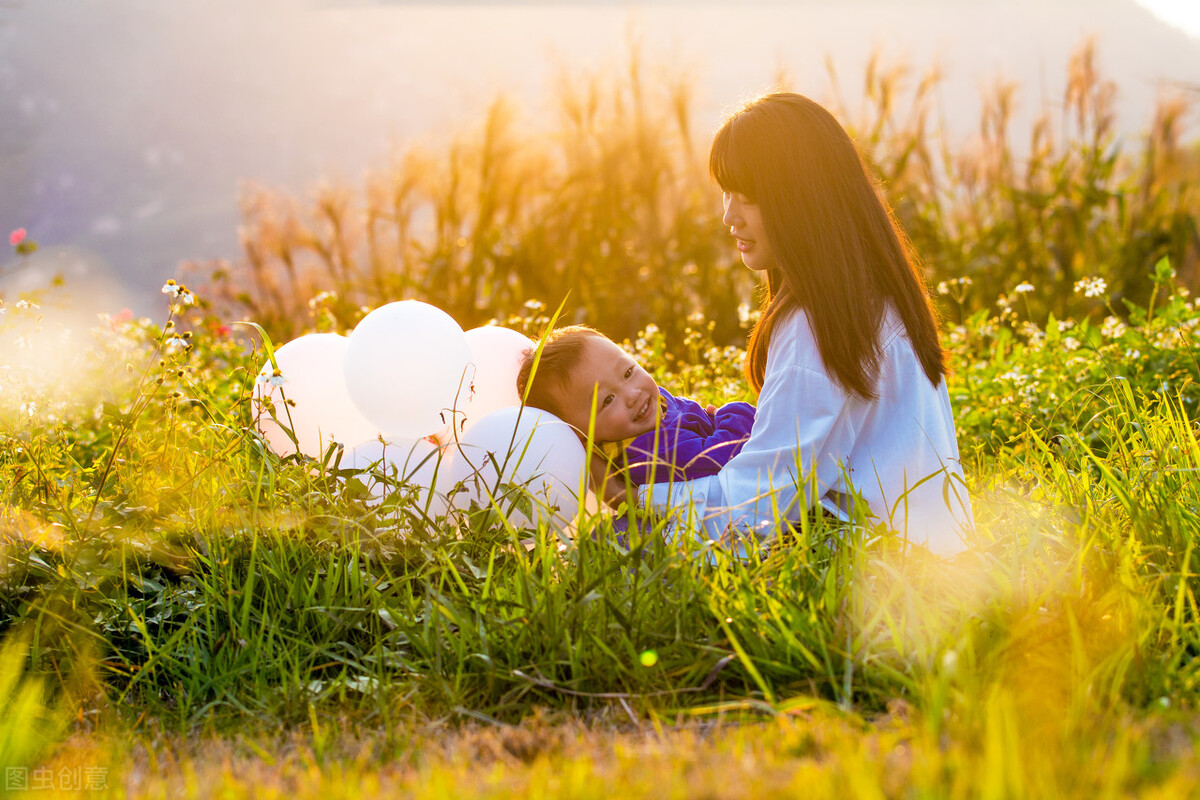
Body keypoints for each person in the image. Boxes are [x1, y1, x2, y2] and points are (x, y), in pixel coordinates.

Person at [635, 92, 974, 556]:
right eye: (726, 195)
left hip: (886, 574)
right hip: (933, 559)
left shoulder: (817, 324)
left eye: (746, 197)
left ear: (798, 200)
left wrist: (632, 497)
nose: (728, 217)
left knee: (624, 545)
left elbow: (758, 506)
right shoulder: (873, 296)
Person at [515, 325, 756, 500]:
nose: (632, 394)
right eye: (607, 400)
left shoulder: (652, 411)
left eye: (628, 372)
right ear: (583, 436)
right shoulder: (649, 451)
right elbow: (721, 455)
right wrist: (734, 413)